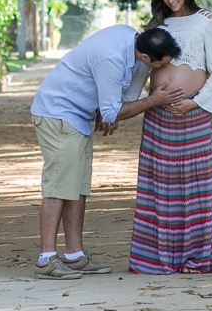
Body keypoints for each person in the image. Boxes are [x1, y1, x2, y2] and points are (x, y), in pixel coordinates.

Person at [30, 24, 185, 280]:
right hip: (57, 113)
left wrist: (112, 107)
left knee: (77, 188)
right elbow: (113, 113)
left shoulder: (135, 41)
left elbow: (127, 91)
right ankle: (45, 259)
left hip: (78, 117)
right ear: (146, 56)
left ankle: (74, 255)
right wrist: (154, 100)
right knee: (58, 186)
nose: (157, 71)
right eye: (158, 66)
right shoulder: (112, 57)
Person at [125, 0, 212, 274]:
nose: (171, 1)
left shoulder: (206, 20)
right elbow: (141, 71)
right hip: (159, 119)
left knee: (197, 187)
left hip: (194, 115)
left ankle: (196, 258)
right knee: (160, 188)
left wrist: (193, 102)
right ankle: (159, 259)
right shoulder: (157, 24)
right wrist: (125, 105)